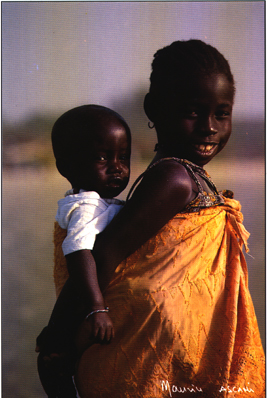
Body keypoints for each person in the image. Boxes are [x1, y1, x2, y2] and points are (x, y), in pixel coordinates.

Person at [64, 40, 264, 398]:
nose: (209, 127)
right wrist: (59, 338)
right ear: (154, 109)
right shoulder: (175, 178)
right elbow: (105, 255)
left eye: (222, 113)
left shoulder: (187, 176)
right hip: (145, 355)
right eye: (193, 112)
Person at [36, 104, 131, 397]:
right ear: (66, 166)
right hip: (86, 302)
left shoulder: (95, 201)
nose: (117, 167)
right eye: (102, 158)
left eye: (123, 157)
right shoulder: (88, 205)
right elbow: (78, 250)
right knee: (60, 363)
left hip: (81, 302)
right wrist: (97, 308)